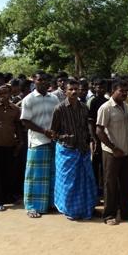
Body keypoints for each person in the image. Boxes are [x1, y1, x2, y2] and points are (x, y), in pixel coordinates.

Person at [50, 79, 97, 220]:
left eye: (76, 89)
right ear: (65, 91)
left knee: (85, 181)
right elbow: (53, 132)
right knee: (68, 183)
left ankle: (86, 209)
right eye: (71, 89)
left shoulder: (84, 108)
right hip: (66, 150)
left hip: (82, 149)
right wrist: (66, 138)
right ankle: (69, 210)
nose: (74, 91)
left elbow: (86, 127)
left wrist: (90, 140)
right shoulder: (59, 109)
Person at [20, 71, 60, 219]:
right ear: (34, 81)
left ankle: (51, 204)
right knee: (35, 176)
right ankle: (32, 207)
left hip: (53, 141)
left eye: (45, 80)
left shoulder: (54, 98)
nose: (42, 82)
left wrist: (55, 132)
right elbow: (25, 121)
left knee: (52, 174)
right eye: (39, 80)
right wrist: (44, 131)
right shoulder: (28, 99)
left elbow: (58, 117)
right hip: (37, 141)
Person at [96, 80, 128, 225]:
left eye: (126, 91)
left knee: (125, 183)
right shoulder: (106, 108)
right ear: (113, 91)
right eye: (121, 91)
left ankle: (125, 213)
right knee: (110, 184)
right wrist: (113, 148)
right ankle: (109, 215)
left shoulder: (126, 106)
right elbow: (99, 131)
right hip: (112, 153)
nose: (124, 94)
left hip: (126, 151)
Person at [88, 78, 108, 197]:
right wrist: (94, 139)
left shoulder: (107, 101)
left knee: (104, 166)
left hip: (106, 137)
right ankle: (95, 193)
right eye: (98, 87)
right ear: (94, 88)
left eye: (102, 87)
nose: (100, 89)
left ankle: (103, 191)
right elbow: (90, 122)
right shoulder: (93, 101)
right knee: (95, 166)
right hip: (96, 138)